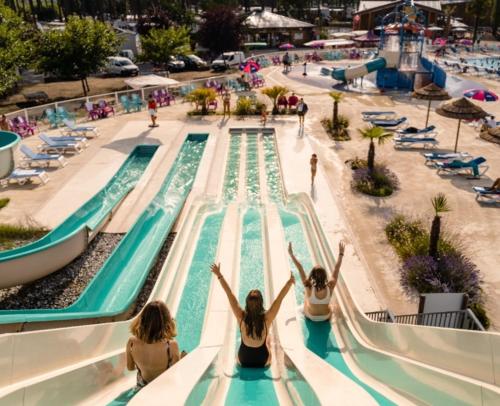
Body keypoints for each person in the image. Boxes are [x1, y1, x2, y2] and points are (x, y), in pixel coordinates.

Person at [211, 263, 294, 368]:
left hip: (243, 360)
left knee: (245, 341)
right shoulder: (267, 318)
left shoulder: (240, 315)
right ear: (261, 303)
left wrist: (219, 275)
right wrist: (289, 283)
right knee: (269, 339)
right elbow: (279, 298)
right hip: (262, 360)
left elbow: (229, 293)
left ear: (246, 302)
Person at [126, 301, 181, 388]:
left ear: (142, 319)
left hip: (142, 387)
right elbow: (175, 372)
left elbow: (130, 368)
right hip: (163, 388)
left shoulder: (131, 342)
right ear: (167, 320)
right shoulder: (171, 345)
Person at [288, 241, 345, 321]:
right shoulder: (330, 285)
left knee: (306, 297)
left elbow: (300, 268)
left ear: (312, 276)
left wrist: (291, 254)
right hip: (326, 317)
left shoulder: (308, 287)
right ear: (325, 276)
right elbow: (336, 268)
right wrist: (341, 254)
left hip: (311, 317)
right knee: (333, 305)